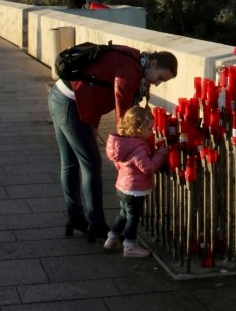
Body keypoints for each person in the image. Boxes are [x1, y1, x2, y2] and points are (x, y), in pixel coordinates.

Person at [48, 46, 178, 242]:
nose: (158, 84)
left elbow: (97, 85)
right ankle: (96, 222)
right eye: (160, 77)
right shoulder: (131, 71)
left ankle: (75, 217)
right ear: (153, 63)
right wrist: (130, 149)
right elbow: (123, 117)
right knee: (91, 163)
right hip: (71, 103)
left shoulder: (136, 59)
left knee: (70, 161)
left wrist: (93, 124)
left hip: (62, 95)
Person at [104, 106, 167, 258]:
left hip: (123, 187)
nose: (152, 132)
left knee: (124, 213)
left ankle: (112, 238)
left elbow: (119, 164)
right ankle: (129, 245)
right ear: (138, 129)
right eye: (149, 129)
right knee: (133, 217)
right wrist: (159, 154)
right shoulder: (138, 148)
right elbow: (147, 167)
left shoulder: (123, 144)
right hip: (135, 189)